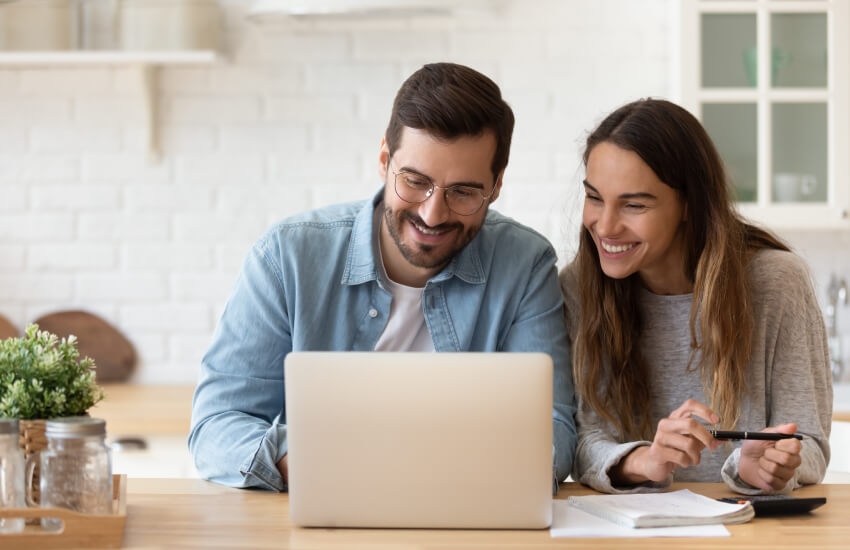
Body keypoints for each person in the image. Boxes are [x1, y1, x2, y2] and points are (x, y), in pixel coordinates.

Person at [189, 62, 577, 492]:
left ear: (497, 184)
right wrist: (302, 461)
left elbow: (553, 430)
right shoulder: (287, 256)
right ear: (383, 161)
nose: (433, 213)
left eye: (464, 192)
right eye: (415, 181)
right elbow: (215, 425)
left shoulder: (525, 264)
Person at [560, 98, 832, 494]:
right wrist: (646, 461)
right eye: (595, 197)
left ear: (689, 204)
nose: (605, 226)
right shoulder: (579, 286)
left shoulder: (777, 283)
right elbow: (583, 441)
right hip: (629, 530)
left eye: (634, 204)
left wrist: (766, 465)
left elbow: (809, 441)